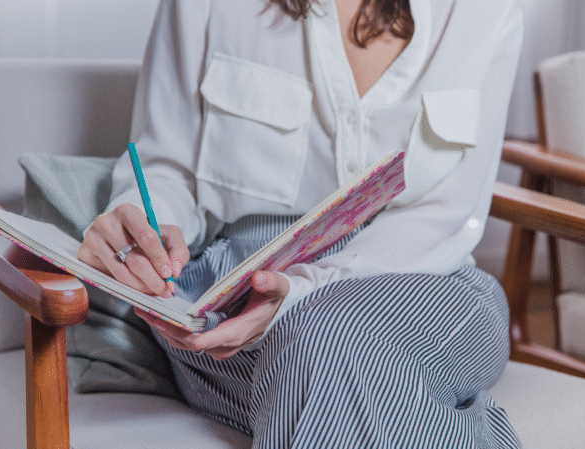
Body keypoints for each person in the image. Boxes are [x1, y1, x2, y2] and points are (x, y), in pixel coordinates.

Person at [77, 0, 524, 446]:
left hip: (429, 281)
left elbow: (450, 213)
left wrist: (307, 292)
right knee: (326, 364)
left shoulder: (486, 11)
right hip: (237, 296)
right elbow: (167, 170)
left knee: (325, 341)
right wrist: (143, 227)